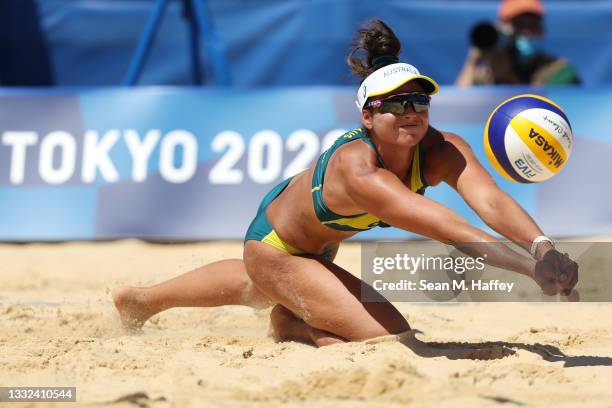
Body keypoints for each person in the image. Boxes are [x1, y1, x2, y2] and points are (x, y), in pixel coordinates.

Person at [113, 19, 578, 347]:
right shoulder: (360, 169)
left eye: (418, 100)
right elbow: (450, 228)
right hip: (276, 244)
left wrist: (542, 247)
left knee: (269, 286)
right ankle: (290, 325)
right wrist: (529, 271)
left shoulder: (440, 148)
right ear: (368, 116)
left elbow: (491, 201)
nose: (411, 112)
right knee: (388, 336)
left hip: (316, 240)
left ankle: (142, 300)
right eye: (395, 105)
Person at [456, 0, 581, 86]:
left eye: (532, 26)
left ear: (542, 30)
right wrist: (473, 61)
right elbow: (458, 108)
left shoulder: (559, 71)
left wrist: (508, 77)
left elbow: (544, 116)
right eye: (518, 25)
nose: (526, 32)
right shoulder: (486, 74)